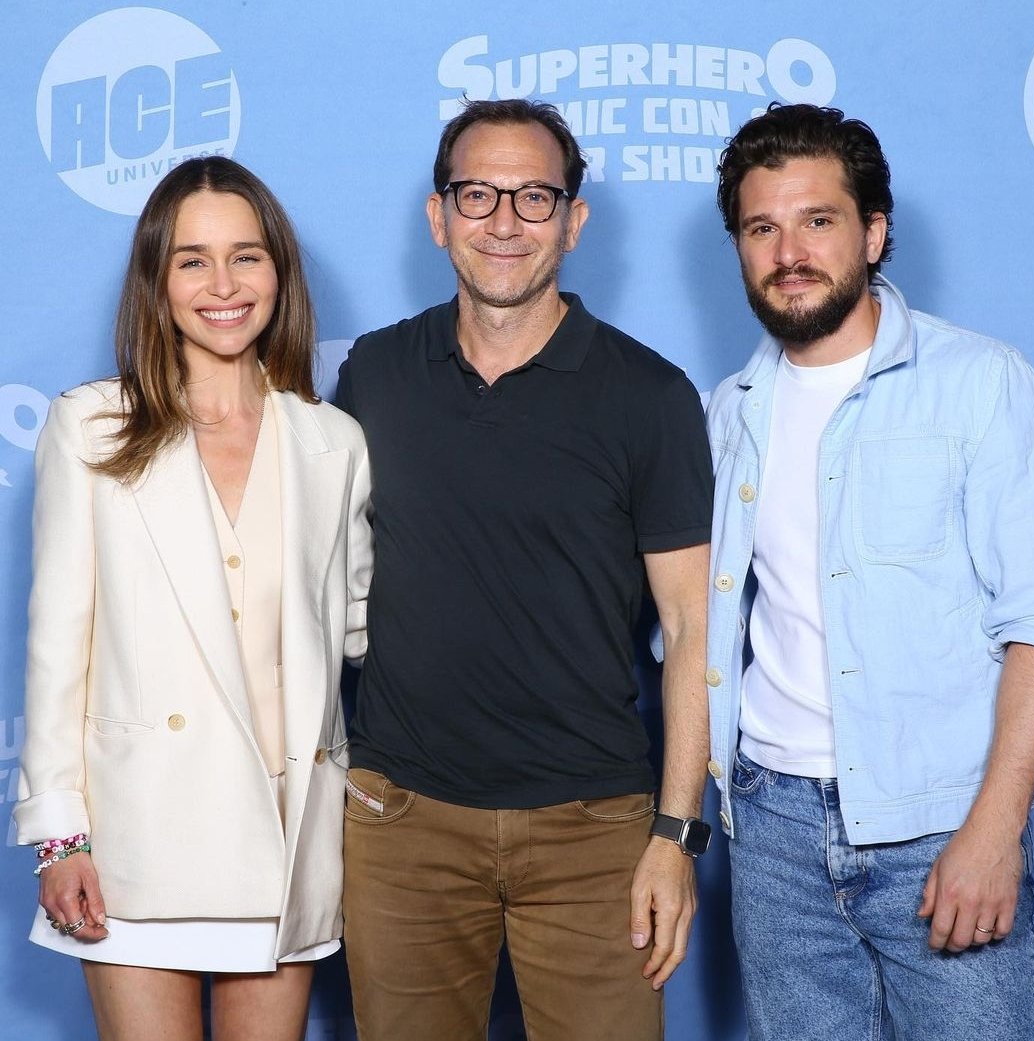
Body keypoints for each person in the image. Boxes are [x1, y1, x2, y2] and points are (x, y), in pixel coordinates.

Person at [335, 98, 713, 1041]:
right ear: (438, 215)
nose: (503, 221)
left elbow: (693, 629)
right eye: (477, 194)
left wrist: (674, 835)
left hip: (594, 830)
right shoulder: (374, 375)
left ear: (575, 221)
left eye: (534, 197)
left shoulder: (651, 396)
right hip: (402, 824)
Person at [705, 102, 1034, 1040]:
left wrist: (994, 831)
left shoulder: (983, 383)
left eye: (818, 220)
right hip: (771, 830)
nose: (789, 249)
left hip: (940, 826)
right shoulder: (730, 409)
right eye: (762, 227)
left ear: (873, 232)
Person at [14, 157, 374, 1041]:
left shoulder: (333, 442)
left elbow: (362, 632)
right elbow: (59, 642)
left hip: (287, 842)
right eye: (192, 260)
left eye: (246, 257)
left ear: (279, 273)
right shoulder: (91, 425)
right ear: (157, 280)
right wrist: (61, 838)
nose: (223, 285)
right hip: (140, 839)